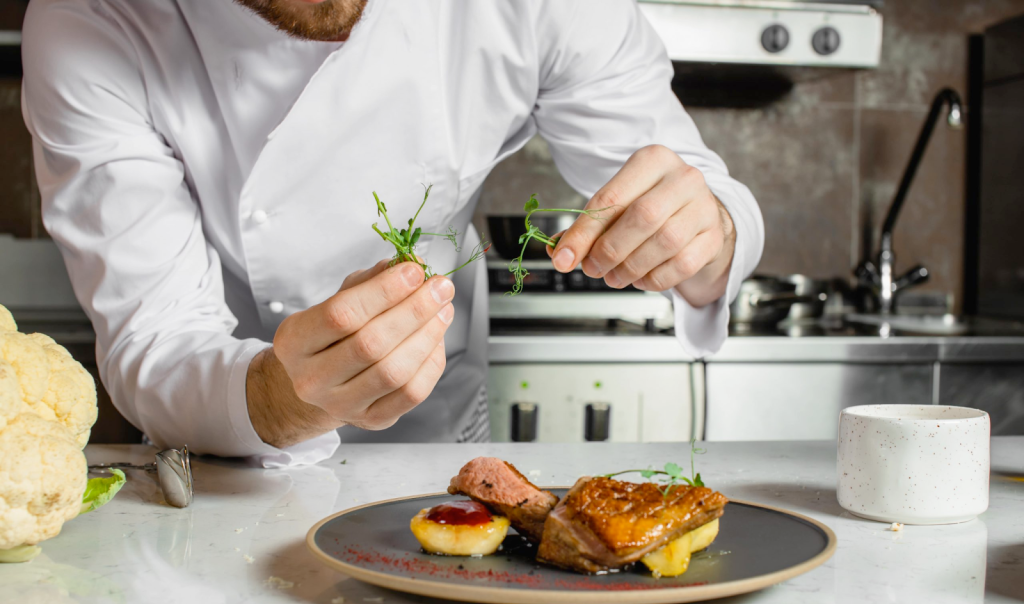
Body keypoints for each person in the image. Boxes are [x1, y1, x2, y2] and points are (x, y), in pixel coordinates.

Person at [21, 0, 764, 466]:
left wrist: (704, 233)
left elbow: (698, 189)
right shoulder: (91, 21)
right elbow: (157, 338)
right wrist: (287, 397)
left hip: (439, 433)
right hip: (226, 441)